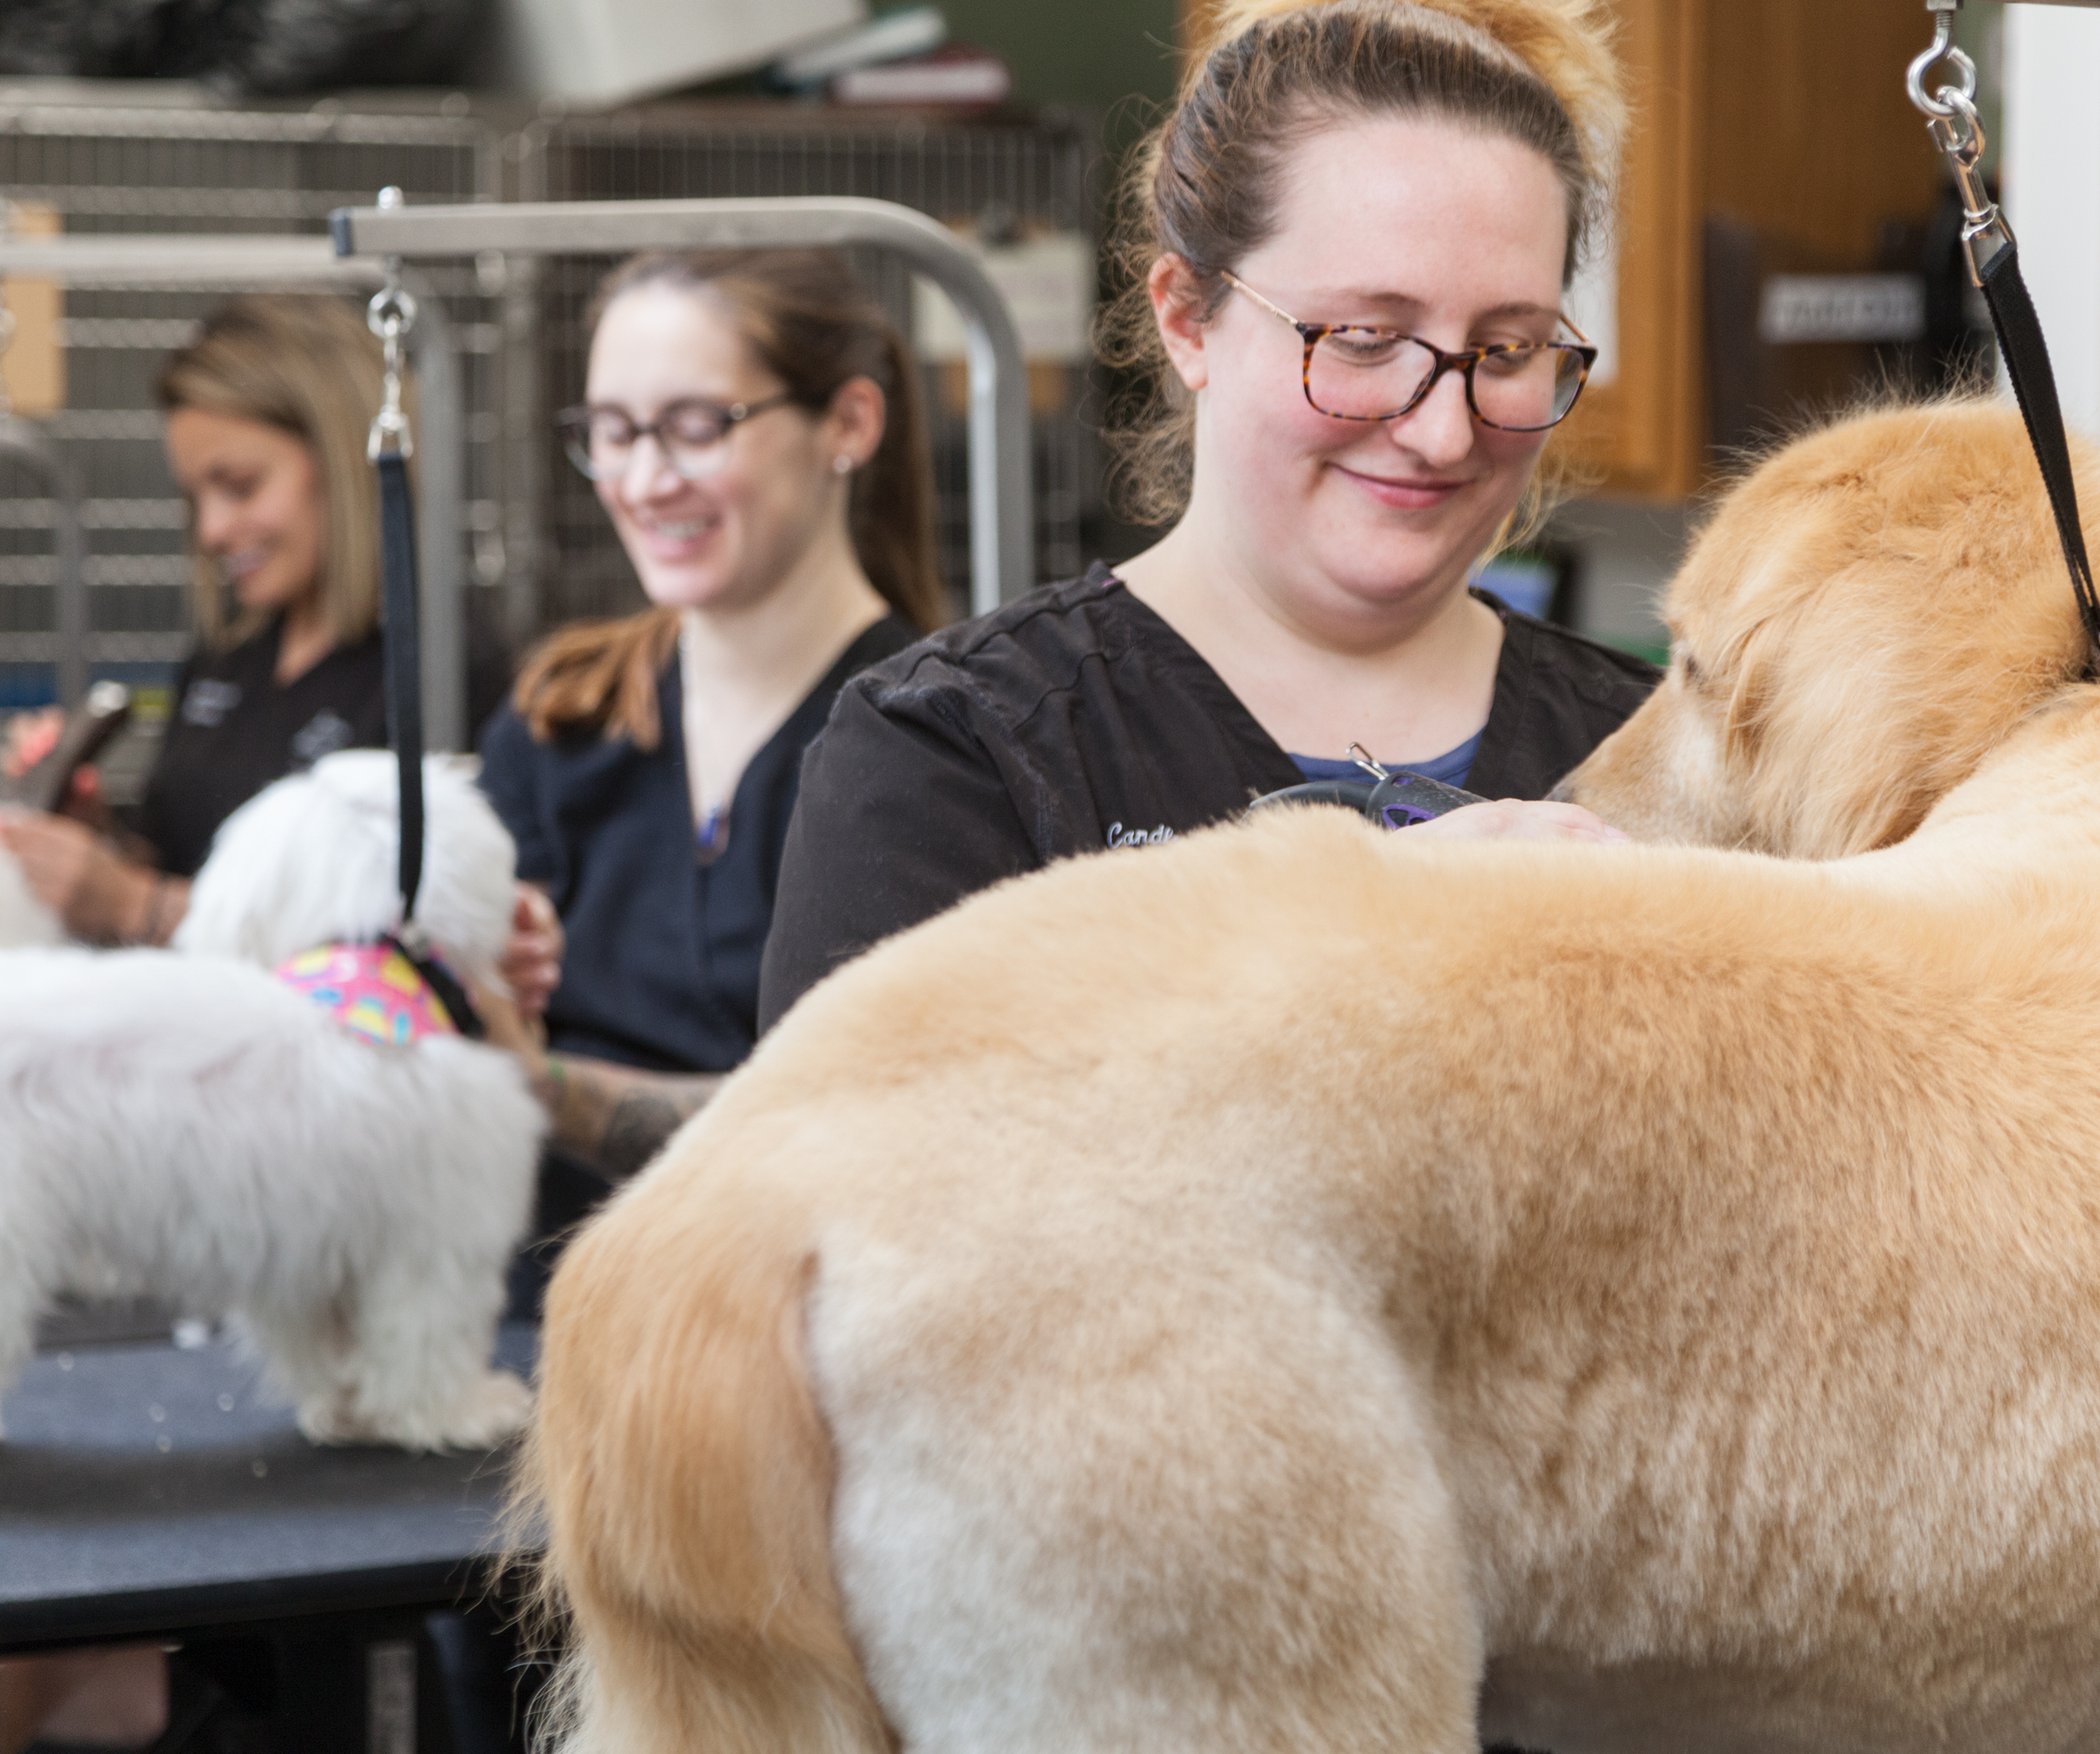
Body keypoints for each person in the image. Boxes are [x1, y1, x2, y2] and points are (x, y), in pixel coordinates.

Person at [754, 0, 1656, 1031]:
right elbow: (873, 1180)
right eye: (1364, 337)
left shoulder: (1660, 745)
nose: (1443, 434)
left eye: (1506, 351)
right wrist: (1360, 941)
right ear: (1189, 317)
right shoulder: (958, 756)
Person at [476, 249, 941, 1208]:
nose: (644, 480)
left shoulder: (935, 742)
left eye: (696, 427)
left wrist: (539, 1084)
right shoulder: (562, 718)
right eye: (611, 432)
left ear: (847, 423)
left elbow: (867, 1119)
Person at [0, 294, 505, 941]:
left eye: (239, 486)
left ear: (347, 460)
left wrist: (142, 910)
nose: (210, 529)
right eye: (195, 496)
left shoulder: (443, 672)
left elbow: (403, 946)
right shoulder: (231, 657)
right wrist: (90, 841)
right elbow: (173, 854)